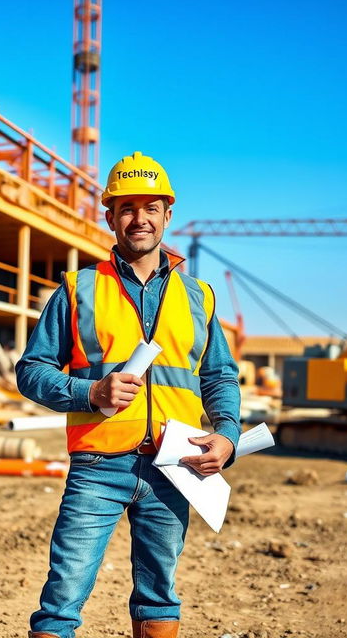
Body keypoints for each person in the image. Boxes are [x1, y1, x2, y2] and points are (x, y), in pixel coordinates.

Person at [16, 151, 241, 638]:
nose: (139, 218)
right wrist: (89, 391)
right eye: (127, 208)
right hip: (98, 466)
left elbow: (220, 377)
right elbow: (31, 371)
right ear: (110, 217)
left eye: (150, 207)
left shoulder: (199, 296)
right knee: (62, 597)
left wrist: (227, 435)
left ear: (167, 214)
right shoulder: (79, 289)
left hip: (173, 466)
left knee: (160, 594)